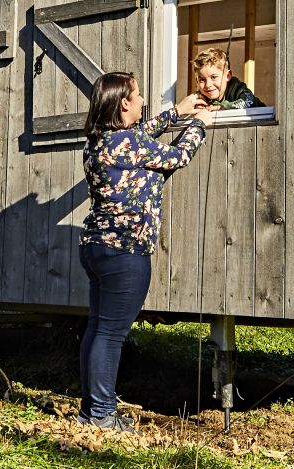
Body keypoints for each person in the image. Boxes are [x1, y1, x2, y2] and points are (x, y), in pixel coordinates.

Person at [76, 72, 213, 431]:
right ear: (123, 103)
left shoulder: (101, 141)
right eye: (137, 96)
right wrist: (198, 124)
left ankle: (91, 411)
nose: (141, 101)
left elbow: (140, 136)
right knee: (111, 335)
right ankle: (103, 415)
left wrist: (177, 112)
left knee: (98, 329)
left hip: (96, 247)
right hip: (125, 250)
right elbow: (179, 156)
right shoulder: (127, 144)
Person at [190, 47, 263, 110]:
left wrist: (222, 107)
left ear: (227, 76)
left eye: (214, 77)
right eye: (202, 80)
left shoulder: (237, 88)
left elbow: (248, 102)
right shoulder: (200, 96)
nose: (208, 85)